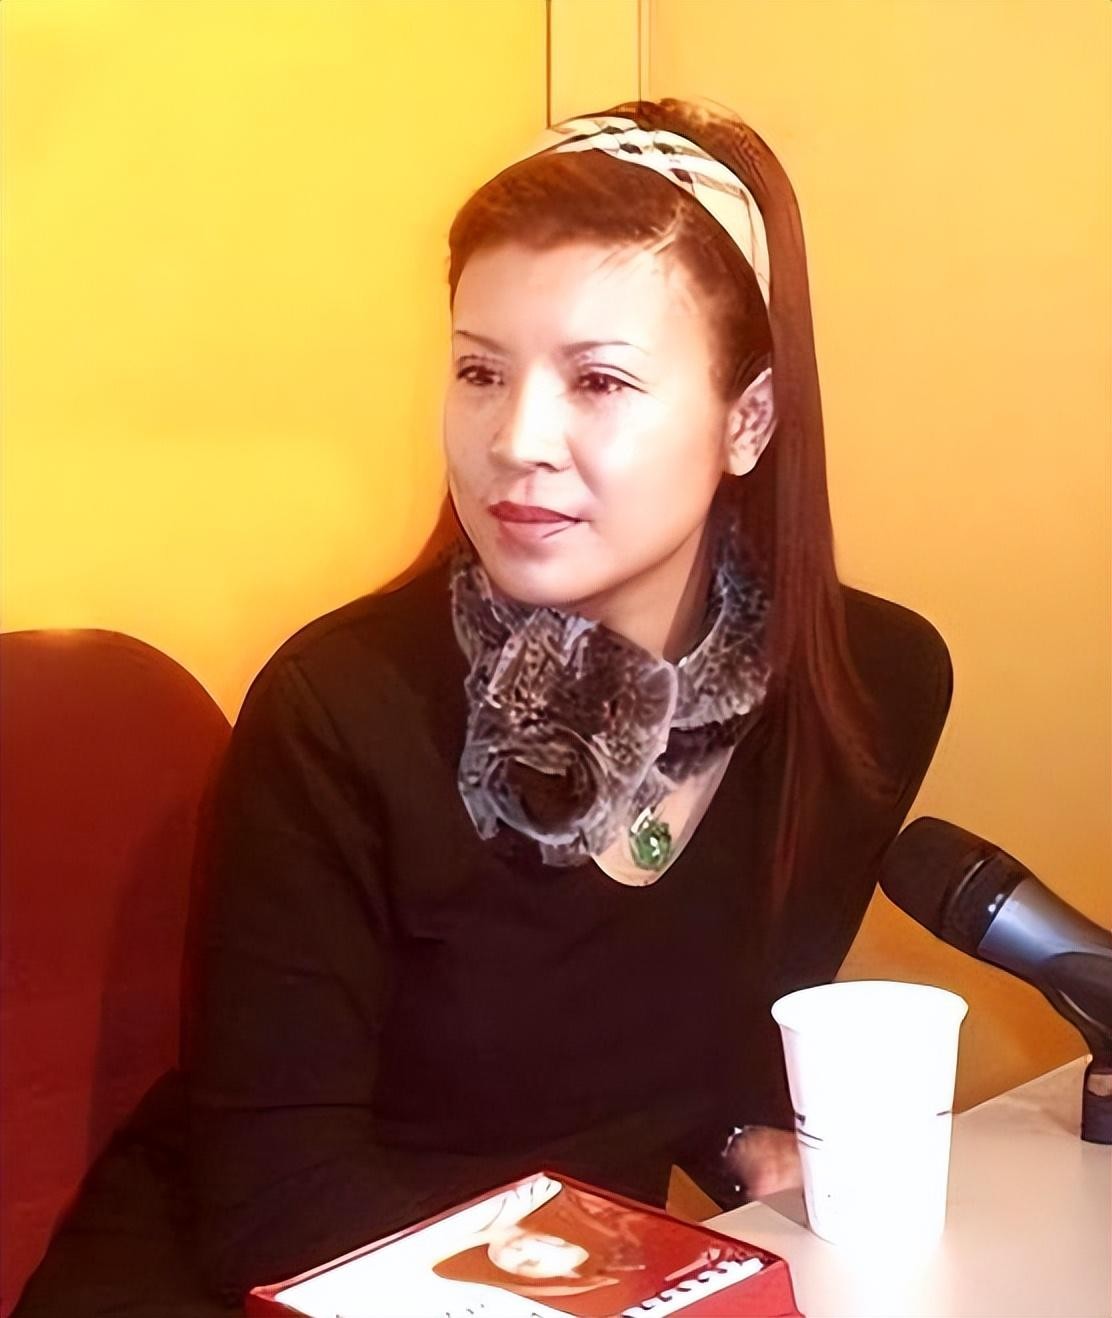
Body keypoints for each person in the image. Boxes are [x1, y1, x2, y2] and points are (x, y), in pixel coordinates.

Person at [12, 97, 952, 1315]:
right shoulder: (343, 710)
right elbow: (274, 1204)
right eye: (478, 371)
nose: (517, 440)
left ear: (747, 418)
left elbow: (679, 1031)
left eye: (597, 379)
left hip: (564, 1281)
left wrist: (737, 1140)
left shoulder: (867, 687)